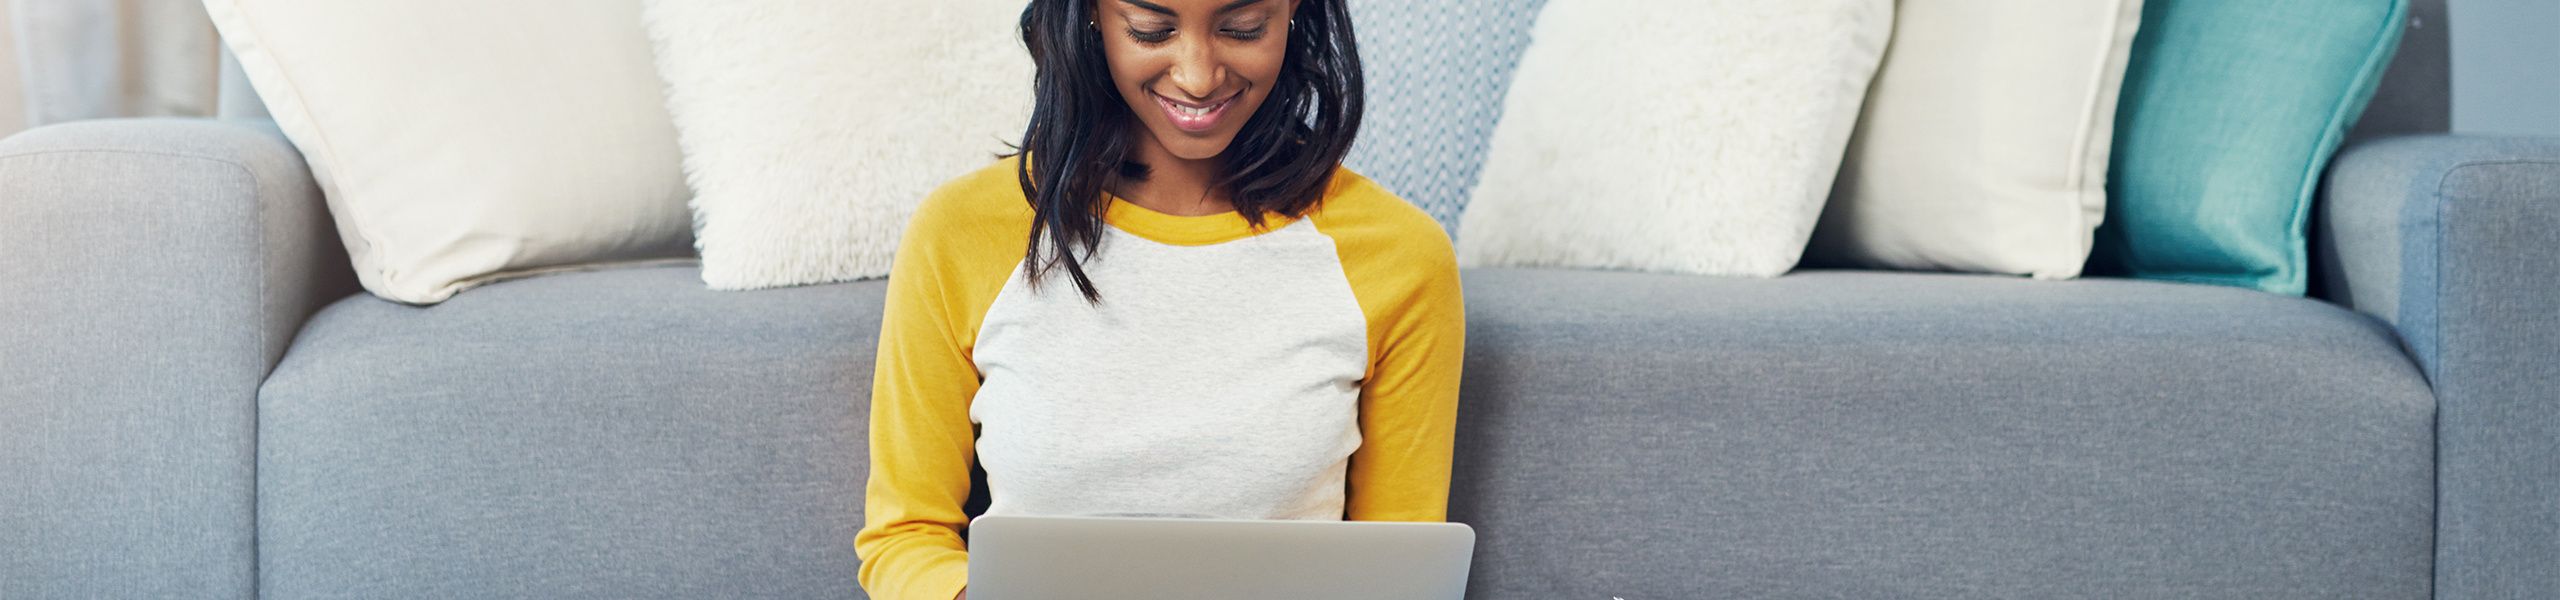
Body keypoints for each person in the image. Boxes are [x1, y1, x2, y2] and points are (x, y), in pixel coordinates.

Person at [853, 0, 1462, 598]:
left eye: (1242, 27)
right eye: (1151, 30)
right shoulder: (959, 234)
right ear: (1090, 13)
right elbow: (906, 535)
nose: (1198, 76)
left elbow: (1400, 569)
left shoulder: (1400, 257)